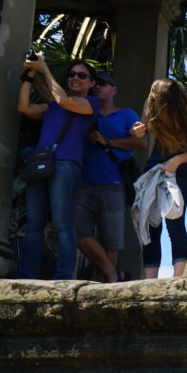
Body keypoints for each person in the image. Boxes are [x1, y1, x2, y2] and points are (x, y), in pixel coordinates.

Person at [17, 55, 99, 279]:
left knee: (63, 222)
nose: (75, 78)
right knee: (34, 224)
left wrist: (44, 69)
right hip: (41, 162)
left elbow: (65, 102)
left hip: (66, 164)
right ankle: (27, 276)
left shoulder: (91, 104)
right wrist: (28, 76)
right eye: (72, 75)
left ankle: (64, 277)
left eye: (82, 76)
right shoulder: (53, 105)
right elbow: (24, 107)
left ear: (92, 83)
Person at [129, 78, 187, 278]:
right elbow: (141, 129)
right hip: (156, 164)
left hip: (181, 167)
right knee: (150, 222)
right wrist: (137, 131)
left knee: (175, 220)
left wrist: (178, 161)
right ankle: (149, 279)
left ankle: (178, 277)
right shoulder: (152, 103)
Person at [75, 73, 144, 282]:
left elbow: (141, 142)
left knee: (111, 241)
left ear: (113, 90)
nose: (98, 87)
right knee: (77, 233)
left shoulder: (126, 114)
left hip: (113, 185)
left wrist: (109, 142)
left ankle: (105, 285)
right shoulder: (85, 112)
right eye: (95, 84)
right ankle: (114, 276)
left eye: (103, 85)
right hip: (83, 183)